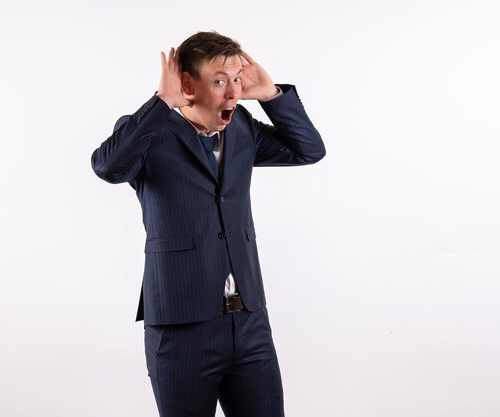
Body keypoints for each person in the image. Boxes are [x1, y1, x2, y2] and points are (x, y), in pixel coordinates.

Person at [91, 31, 325, 417]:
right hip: (182, 328)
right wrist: (162, 103)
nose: (233, 93)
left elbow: (308, 150)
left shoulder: (242, 128)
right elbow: (108, 168)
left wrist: (271, 96)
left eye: (236, 79)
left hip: (249, 323)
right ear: (187, 83)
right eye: (220, 81)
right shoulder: (149, 133)